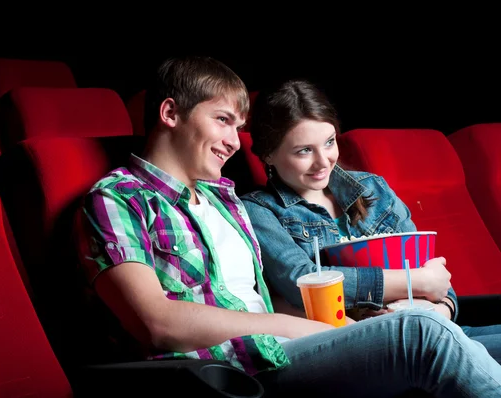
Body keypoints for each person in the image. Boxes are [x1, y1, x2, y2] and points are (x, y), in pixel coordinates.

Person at [75, 55, 501, 397]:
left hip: (291, 347)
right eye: (223, 120)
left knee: (434, 326)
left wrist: (364, 322)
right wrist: (301, 326)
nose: (232, 141)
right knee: (421, 333)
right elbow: (157, 323)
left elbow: (268, 300)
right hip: (230, 370)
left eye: (238, 128)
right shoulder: (119, 197)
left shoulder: (226, 203)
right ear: (170, 112)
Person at [240, 78, 501, 364]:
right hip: (364, 347)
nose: (324, 161)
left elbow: (439, 283)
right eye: (304, 150)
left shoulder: (373, 188)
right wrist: (415, 281)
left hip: (434, 327)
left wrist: (439, 312)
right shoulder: (259, 210)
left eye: (329, 142)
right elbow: (302, 282)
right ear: (267, 154)